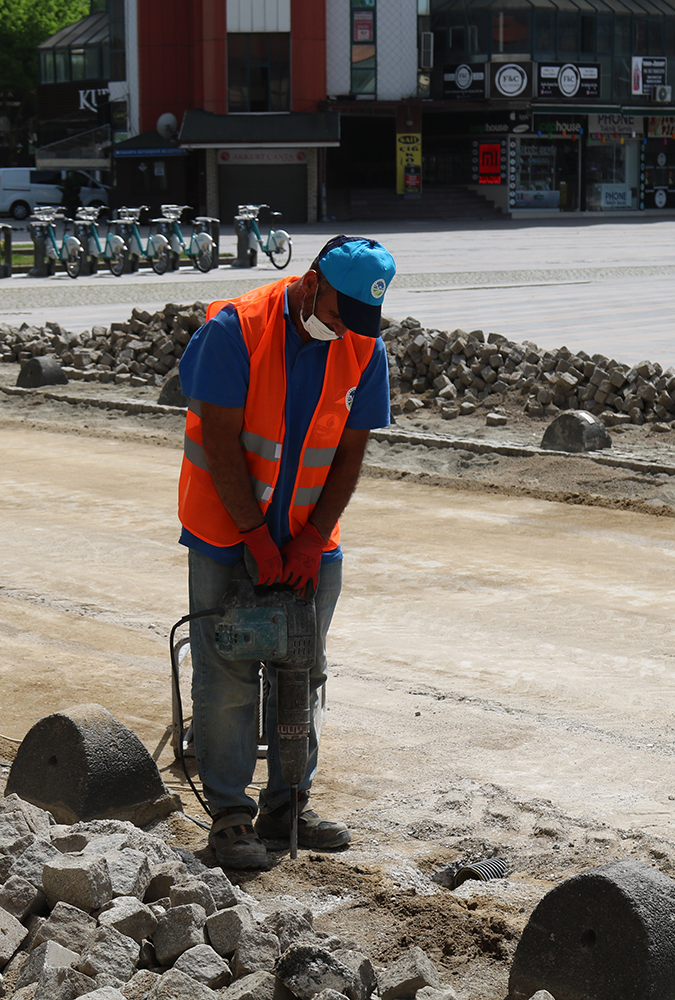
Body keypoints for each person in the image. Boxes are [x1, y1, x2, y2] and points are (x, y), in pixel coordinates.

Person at [176, 235, 396, 869]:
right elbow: (218, 440)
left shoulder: (362, 346)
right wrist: (253, 537)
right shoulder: (235, 330)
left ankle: (287, 803)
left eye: (355, 321)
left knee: (304, 670)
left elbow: (350, 453)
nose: (342, 329)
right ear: (311, 282)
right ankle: (231, 816)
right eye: (336, 312)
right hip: (226, 534)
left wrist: (305, 540)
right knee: (228, 673)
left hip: (306, 541)